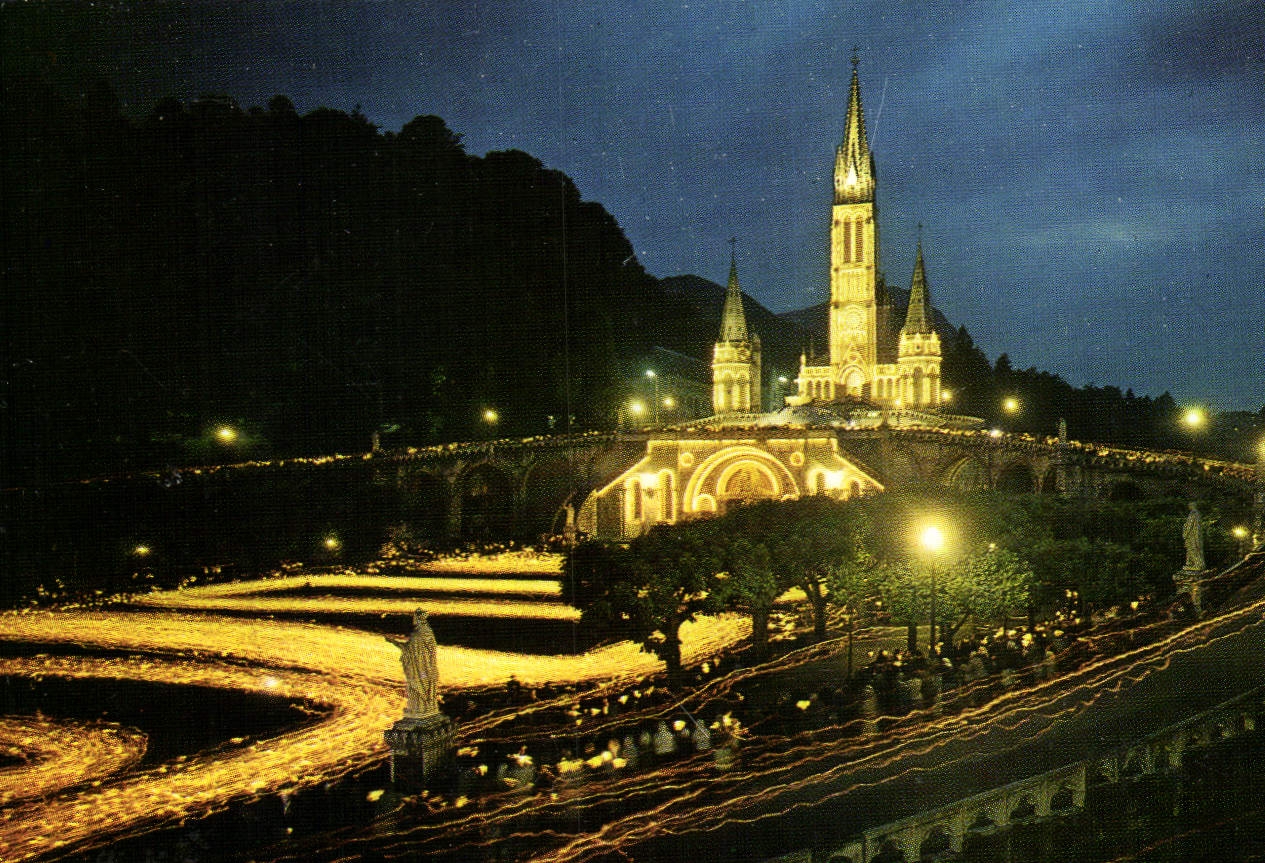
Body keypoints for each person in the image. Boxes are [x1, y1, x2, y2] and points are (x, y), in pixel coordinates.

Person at [385, 609, 440, 718]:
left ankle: (420, 709)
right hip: (427, 670)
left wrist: (392, 641)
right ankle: (424, 708)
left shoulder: (418, 635)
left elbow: (408, 649)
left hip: (420, 671)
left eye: (414, 617)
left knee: (417, 686)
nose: (413, 620)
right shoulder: (427, 632)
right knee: (422, 688)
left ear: (418, 619)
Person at [1183, 503, 1205, 571]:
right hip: (1195, 535)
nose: (1188, 506)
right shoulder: (1197, 514)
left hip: (1192, 536)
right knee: (1194, 549)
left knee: (1193, 549)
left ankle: (1197, 565)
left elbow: (1190, 525)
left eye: (1189, 505)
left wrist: (1185, 534)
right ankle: (1193, 564)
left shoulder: (1193, 513)